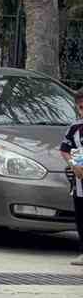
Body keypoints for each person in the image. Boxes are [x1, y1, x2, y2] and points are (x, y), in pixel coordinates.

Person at [58, 89, 83, 267]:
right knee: (81, 216)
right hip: (80, 183)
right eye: (81, 107)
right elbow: (65, 149)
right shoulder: (75, 128)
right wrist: (74, 165)